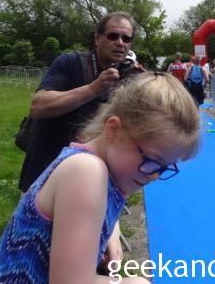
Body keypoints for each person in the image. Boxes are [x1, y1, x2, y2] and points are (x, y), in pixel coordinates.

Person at [0, 73, 200, 284]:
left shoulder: (105, 171)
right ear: (114, 130)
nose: (153, 175)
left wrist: (111, 231)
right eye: (152, 161)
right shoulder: (85, 171)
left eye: (164, 168)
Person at [18, 12, 141, 194]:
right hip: (47, 168)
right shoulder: (70, 62)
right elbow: (38, 106)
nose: (120, 43)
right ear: (97, 39)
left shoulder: (126, 74)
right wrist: (93, 89)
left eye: (126, 38)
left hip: (90, 174)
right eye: (113, 36)